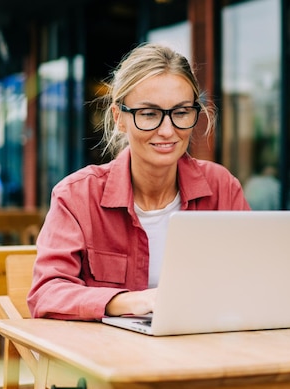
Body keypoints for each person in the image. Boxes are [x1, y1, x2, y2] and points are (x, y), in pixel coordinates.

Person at [27, 43, 251, 321]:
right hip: (110, 357)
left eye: (181, 113)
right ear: (119, 118)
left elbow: (252, 278)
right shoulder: (77, 195)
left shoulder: (221, 187)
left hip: (202, 350)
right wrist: (128, 301)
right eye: (149, 114)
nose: (168, 131)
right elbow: (46, 293)